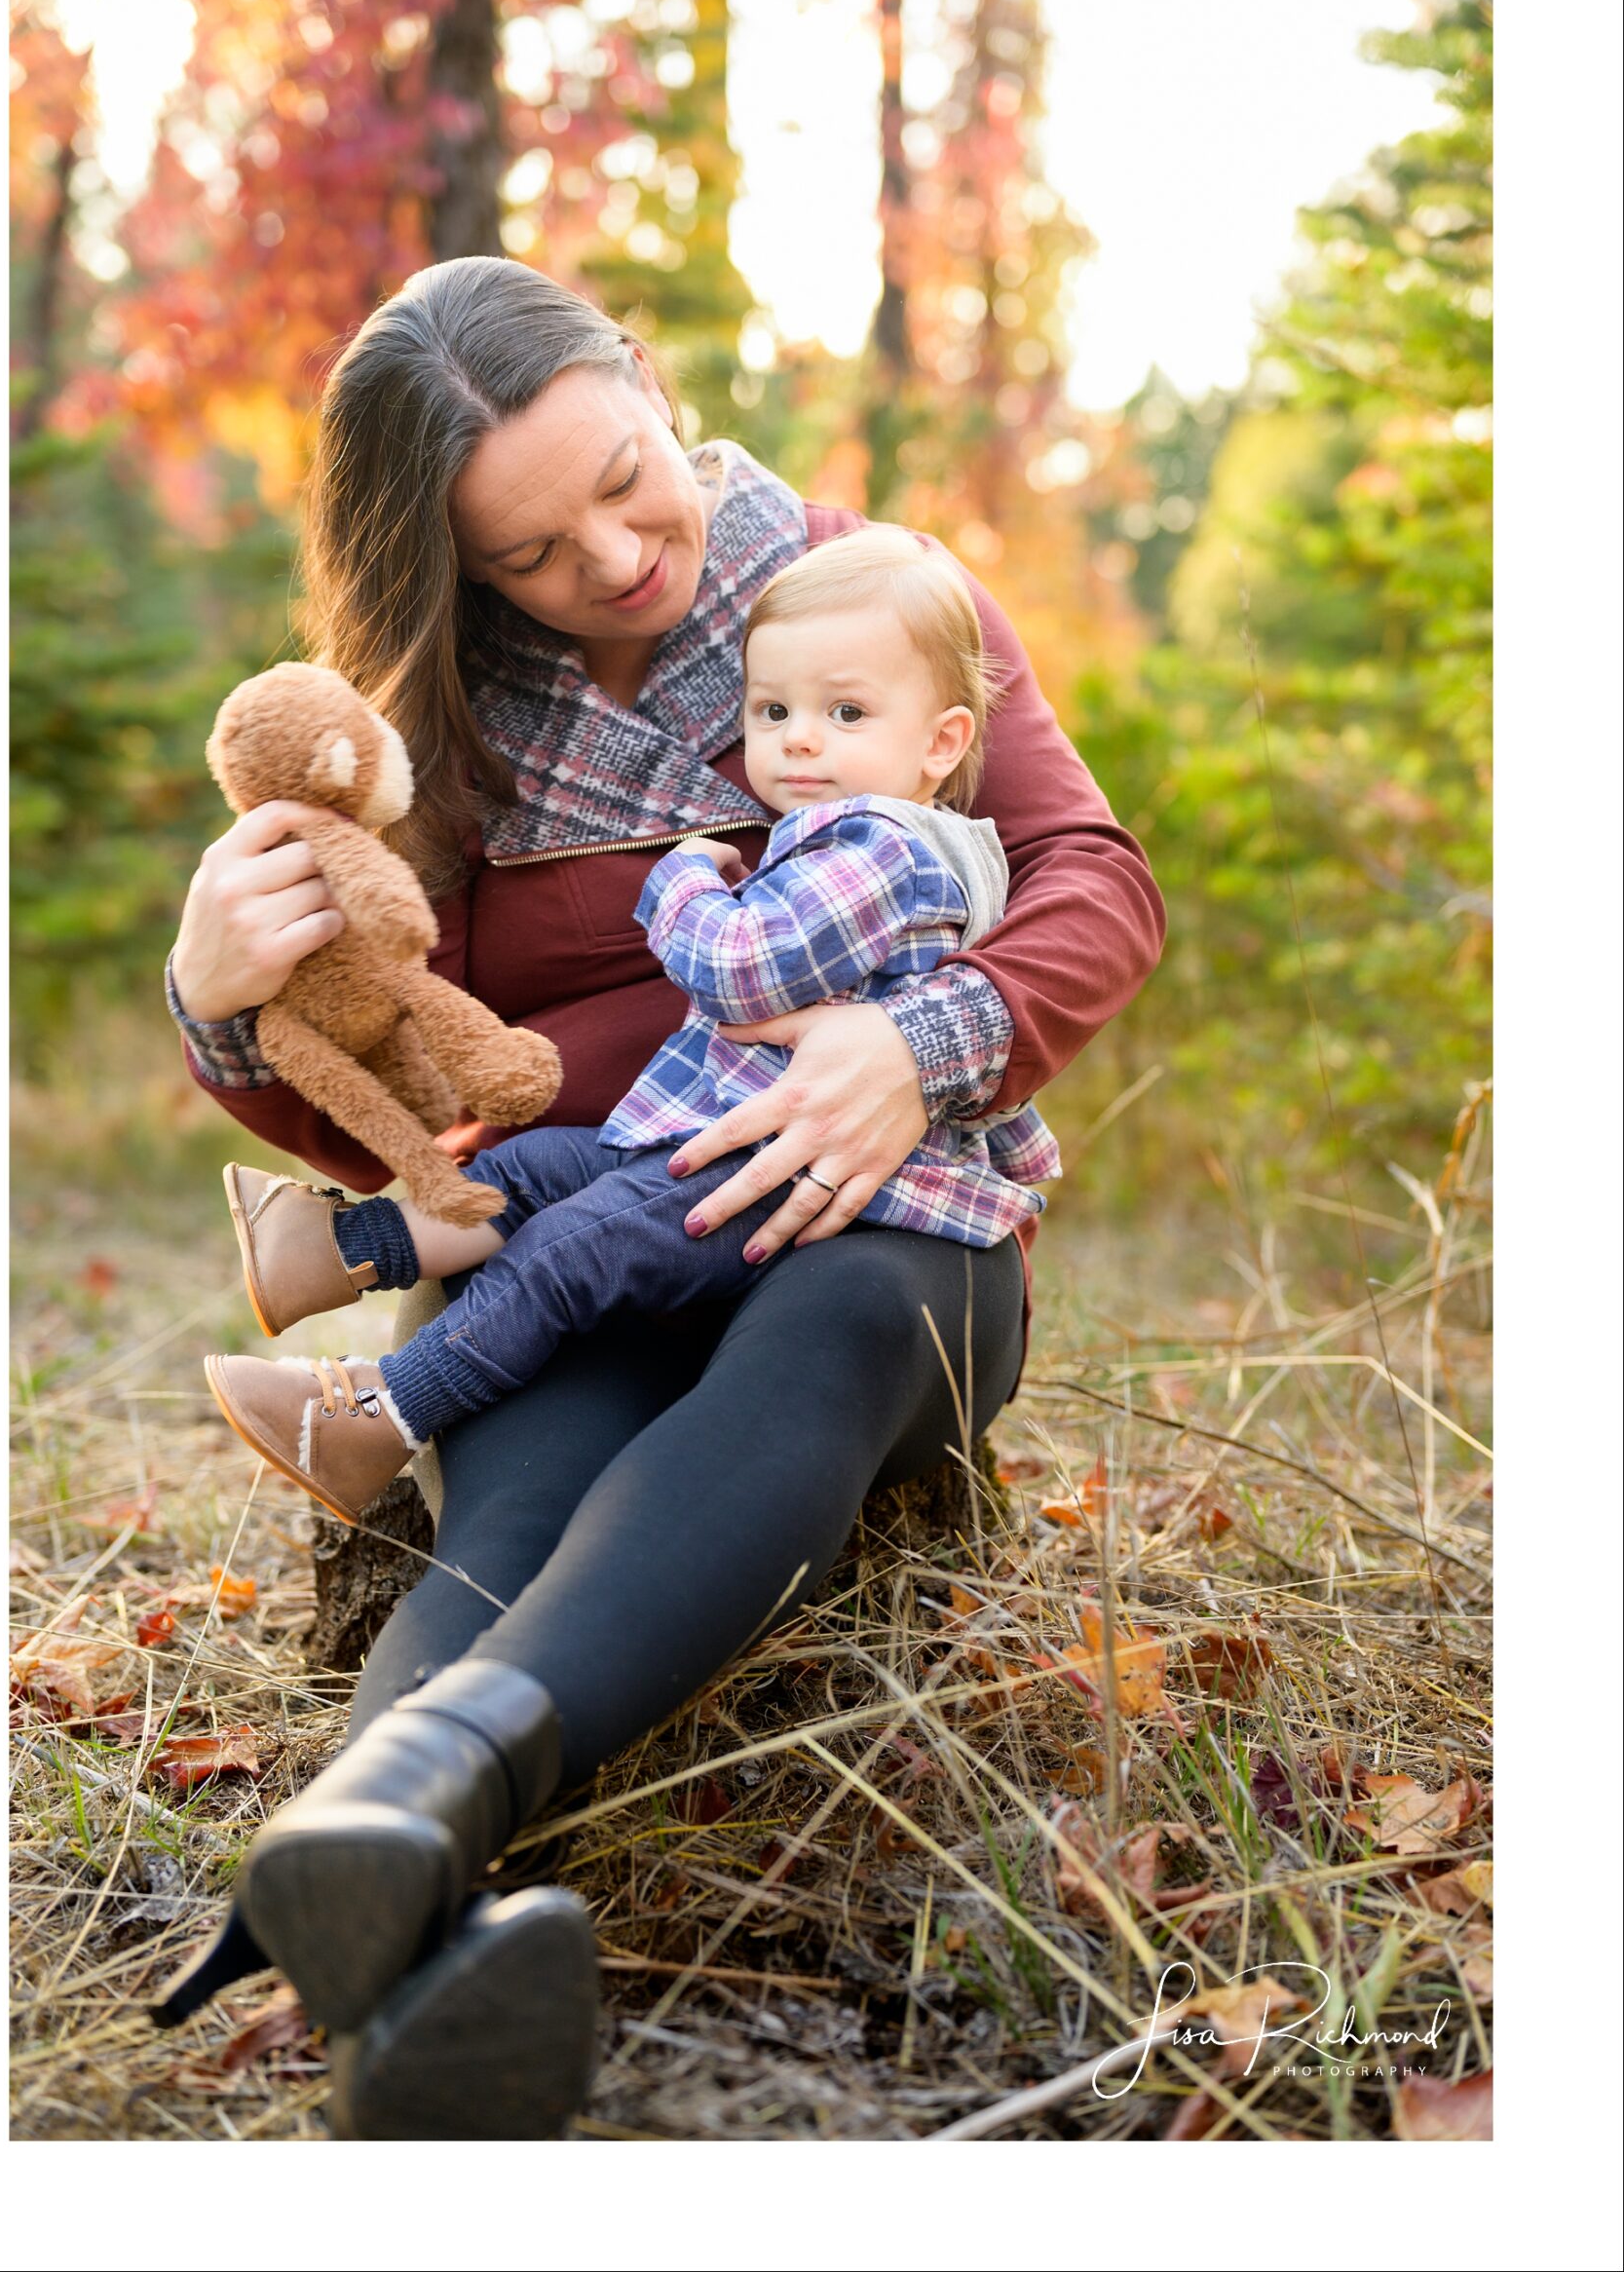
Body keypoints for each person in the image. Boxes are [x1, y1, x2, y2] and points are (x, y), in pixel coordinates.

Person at [148, 256, 1166, 2140]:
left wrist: (927, 1038)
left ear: (643, 372)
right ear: (458, 570)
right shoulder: (425, 734)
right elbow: (396, 1107)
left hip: (872, 1216)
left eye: (625, 477)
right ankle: (392, 1862)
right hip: (566, 1228)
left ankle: (386, 1835)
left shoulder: (869, 600)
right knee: (519, 1487)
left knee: (833, 1330)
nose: (615, 557)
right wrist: (220, 1006)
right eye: (532, 553)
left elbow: (1092, 879)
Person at [201, 526, 1065, 1517]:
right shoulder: (824, 834)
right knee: (527, 1170)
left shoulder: (879, 846)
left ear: (942, 743)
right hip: (707, 1150)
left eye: (844, 712)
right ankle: (337, 1246)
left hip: (806, 1180)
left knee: (566, 1252)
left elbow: (741, 973)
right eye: (773, 711)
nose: (800, 738)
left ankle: (379, 1415)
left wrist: (682, 879)